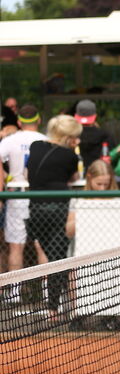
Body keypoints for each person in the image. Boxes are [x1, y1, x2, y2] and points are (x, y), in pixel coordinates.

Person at [25, 115, 82, 315]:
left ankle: (56, 307)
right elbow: (75, 178)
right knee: (59, 260)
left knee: (53, 259)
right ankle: (56, 308)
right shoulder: (70, 156)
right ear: (68, 136)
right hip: (58, 212)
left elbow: (27, 174)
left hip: (35, 212)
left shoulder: (35, 146)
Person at [0, 105, 46, 279]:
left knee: (16, 246)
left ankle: (14, 293)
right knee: (41, 245)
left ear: (19, 122)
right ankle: (48, 292)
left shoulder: (10, 140)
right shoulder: (46, 139)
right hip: (39, 195)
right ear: (39, 120)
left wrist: (5, 178)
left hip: (17, 194)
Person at [65, 161, 116, 242]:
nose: (102, 189)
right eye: (98, 184)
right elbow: (69, 232)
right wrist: (87, 213)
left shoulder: (118, 200)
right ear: (89, 177)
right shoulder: (78, 200)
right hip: (85, 245)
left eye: (106, 184)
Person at [73, 99, 114, 165]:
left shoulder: (70, 136)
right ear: (95, 117)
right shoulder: (105, 136)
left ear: (76, 116)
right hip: (98, 173)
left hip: (76, 173)